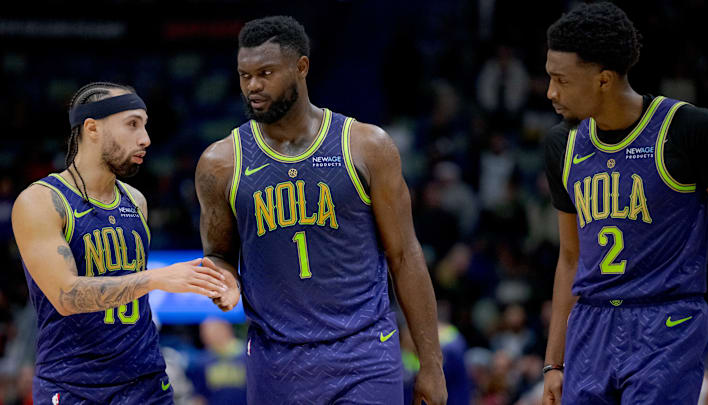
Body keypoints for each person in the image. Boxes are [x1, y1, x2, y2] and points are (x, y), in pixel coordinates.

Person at [195, 16, 447, 404]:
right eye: (245, 76)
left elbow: (405, 255)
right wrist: (223, 280)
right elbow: (220, 255)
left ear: (301, 67)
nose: (253, 87)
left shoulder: (367, 146)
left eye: (265, 73)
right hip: (276, 360)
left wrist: (431, 364)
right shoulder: (220, 163)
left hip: (363, 353)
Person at [542, 3, 708, 404]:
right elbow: (570, 258)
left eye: (560, 80)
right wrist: (554, 364)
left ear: (603, 80)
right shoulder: (562, 145)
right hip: (591, 324)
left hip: (667, 321)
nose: (551, 91)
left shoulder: (688, 129)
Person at [11, 82, 228, 403]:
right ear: (92, 128)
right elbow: (66, 296)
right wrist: (157, 278)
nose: (146, 138)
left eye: (145, 124)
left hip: (145, 378)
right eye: (132, 124)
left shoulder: (135, 201)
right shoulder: (40, 201)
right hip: (75, 384)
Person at [186, 317, 248, 405]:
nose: (204, 337)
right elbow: (200, 395)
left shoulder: (247, 355)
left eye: (210, 332)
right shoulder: (202, 360)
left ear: (226, 329)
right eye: (203, 333)